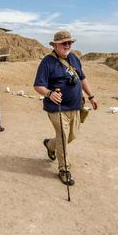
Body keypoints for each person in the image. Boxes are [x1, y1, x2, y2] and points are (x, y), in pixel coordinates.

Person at [34, 31, 98, 186]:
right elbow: (38, 85)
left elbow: (82, 78)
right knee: (62, 136)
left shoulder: (74, 58)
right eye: (64, 43)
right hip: (57, 107)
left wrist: (91, 96)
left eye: (69, 43)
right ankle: (64, 169)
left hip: (75, 106)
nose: (68, 46)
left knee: (71, 136)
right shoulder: (47, 62)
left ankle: (50, 144)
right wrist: (49, 94)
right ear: (55, 45)